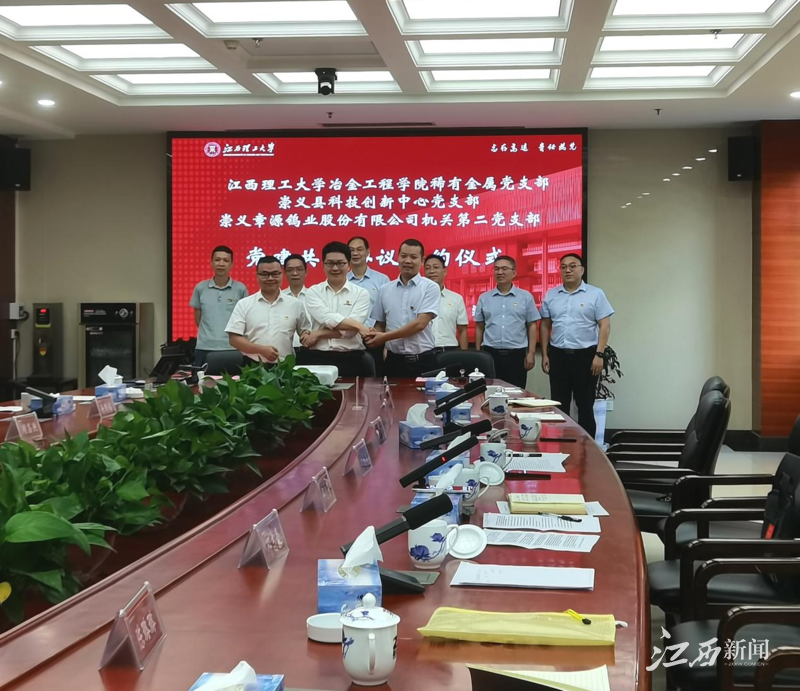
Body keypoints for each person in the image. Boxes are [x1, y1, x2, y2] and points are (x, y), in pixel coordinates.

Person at [541, 253, 614, 439]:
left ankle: (588, 448)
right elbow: (545, 325)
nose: (568, 270)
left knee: (585, 405)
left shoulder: (595, 294)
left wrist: (599, 355)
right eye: (563, 267)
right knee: (559, 405)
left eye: (573, 266)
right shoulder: (551, 295)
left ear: (582, 269)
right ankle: (560, 444)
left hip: (586, 356)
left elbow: (605, 325)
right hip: (558, 356)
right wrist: (545, 354)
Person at [365, 238, 439, 377]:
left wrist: (384, 337)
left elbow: (420, 324)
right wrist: (372, 336)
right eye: (403, 256)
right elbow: (380, 324)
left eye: (413, 257)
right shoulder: (384, 289)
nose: (407, 261)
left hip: (423, 361)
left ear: (422, 260)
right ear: (397, 257)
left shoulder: (430, 287)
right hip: (393, 362)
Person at [302, 241, 372, 377]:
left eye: (340, 263)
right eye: (330, 263)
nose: (335, 268)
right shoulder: (313, 292)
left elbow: (350, 332)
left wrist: (318, 333)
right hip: (318, 358)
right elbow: (327, 318)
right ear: (323, 265)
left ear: (349, 265)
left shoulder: (361, 293)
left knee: (355, 392)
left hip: (352, 359)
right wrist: (359, 326)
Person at [225, 255, 310, 363]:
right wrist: (261, 350)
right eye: (265, 274)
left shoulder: (295, 304)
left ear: (281, 274)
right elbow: (234, 339)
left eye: (275, 274)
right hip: (253, 366)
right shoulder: (244, 304)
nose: (270, 278)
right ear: (257, 276)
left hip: (284, 366)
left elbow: (305, 331)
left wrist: (306, 335)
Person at [474, 255, 540, 390]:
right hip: (490, 354)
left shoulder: (525, 297)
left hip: (516, 355)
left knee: (515, 393)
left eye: (504, 269)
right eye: (496, 269)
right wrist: (478, 353)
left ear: (514, 272)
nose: (500, 272)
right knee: (489, 392)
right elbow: (479, 327)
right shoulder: (484, 298)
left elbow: (532, 326)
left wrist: (531, 353)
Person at [190, 245, 248, 366]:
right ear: (211, 263)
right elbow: (198, 319)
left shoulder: (240, 289)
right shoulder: (200, 288)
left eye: (226, 260)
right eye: (217, 260)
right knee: (202, 378)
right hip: (204, 347)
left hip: (232, 347)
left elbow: (245, 319)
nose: (221, 264)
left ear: (231, 264)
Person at [423, 253, 468, 352]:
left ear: (444, 271)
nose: (432, 271)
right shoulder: (417, 297)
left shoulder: (456, 298)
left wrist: (464, 354)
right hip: (424, 351)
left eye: (436, 267)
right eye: (428, 268)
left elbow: (462, 331)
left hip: (449, 350)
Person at [346, 236, 390, 320]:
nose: (355, 253)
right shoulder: (343, 280)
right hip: (348, 328)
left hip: (373, 328)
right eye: (351, 250)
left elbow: (388, 309)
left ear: (367, 252)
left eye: (359, 249)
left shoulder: (382, 280)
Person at [281, 253, 310, 352]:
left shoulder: (315, 297)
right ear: (285, 273)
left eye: (299, 269)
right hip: (284, 351)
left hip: (310, 350)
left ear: (306, 272)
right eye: (290, 270)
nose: (295, 273)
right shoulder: (279, 298)